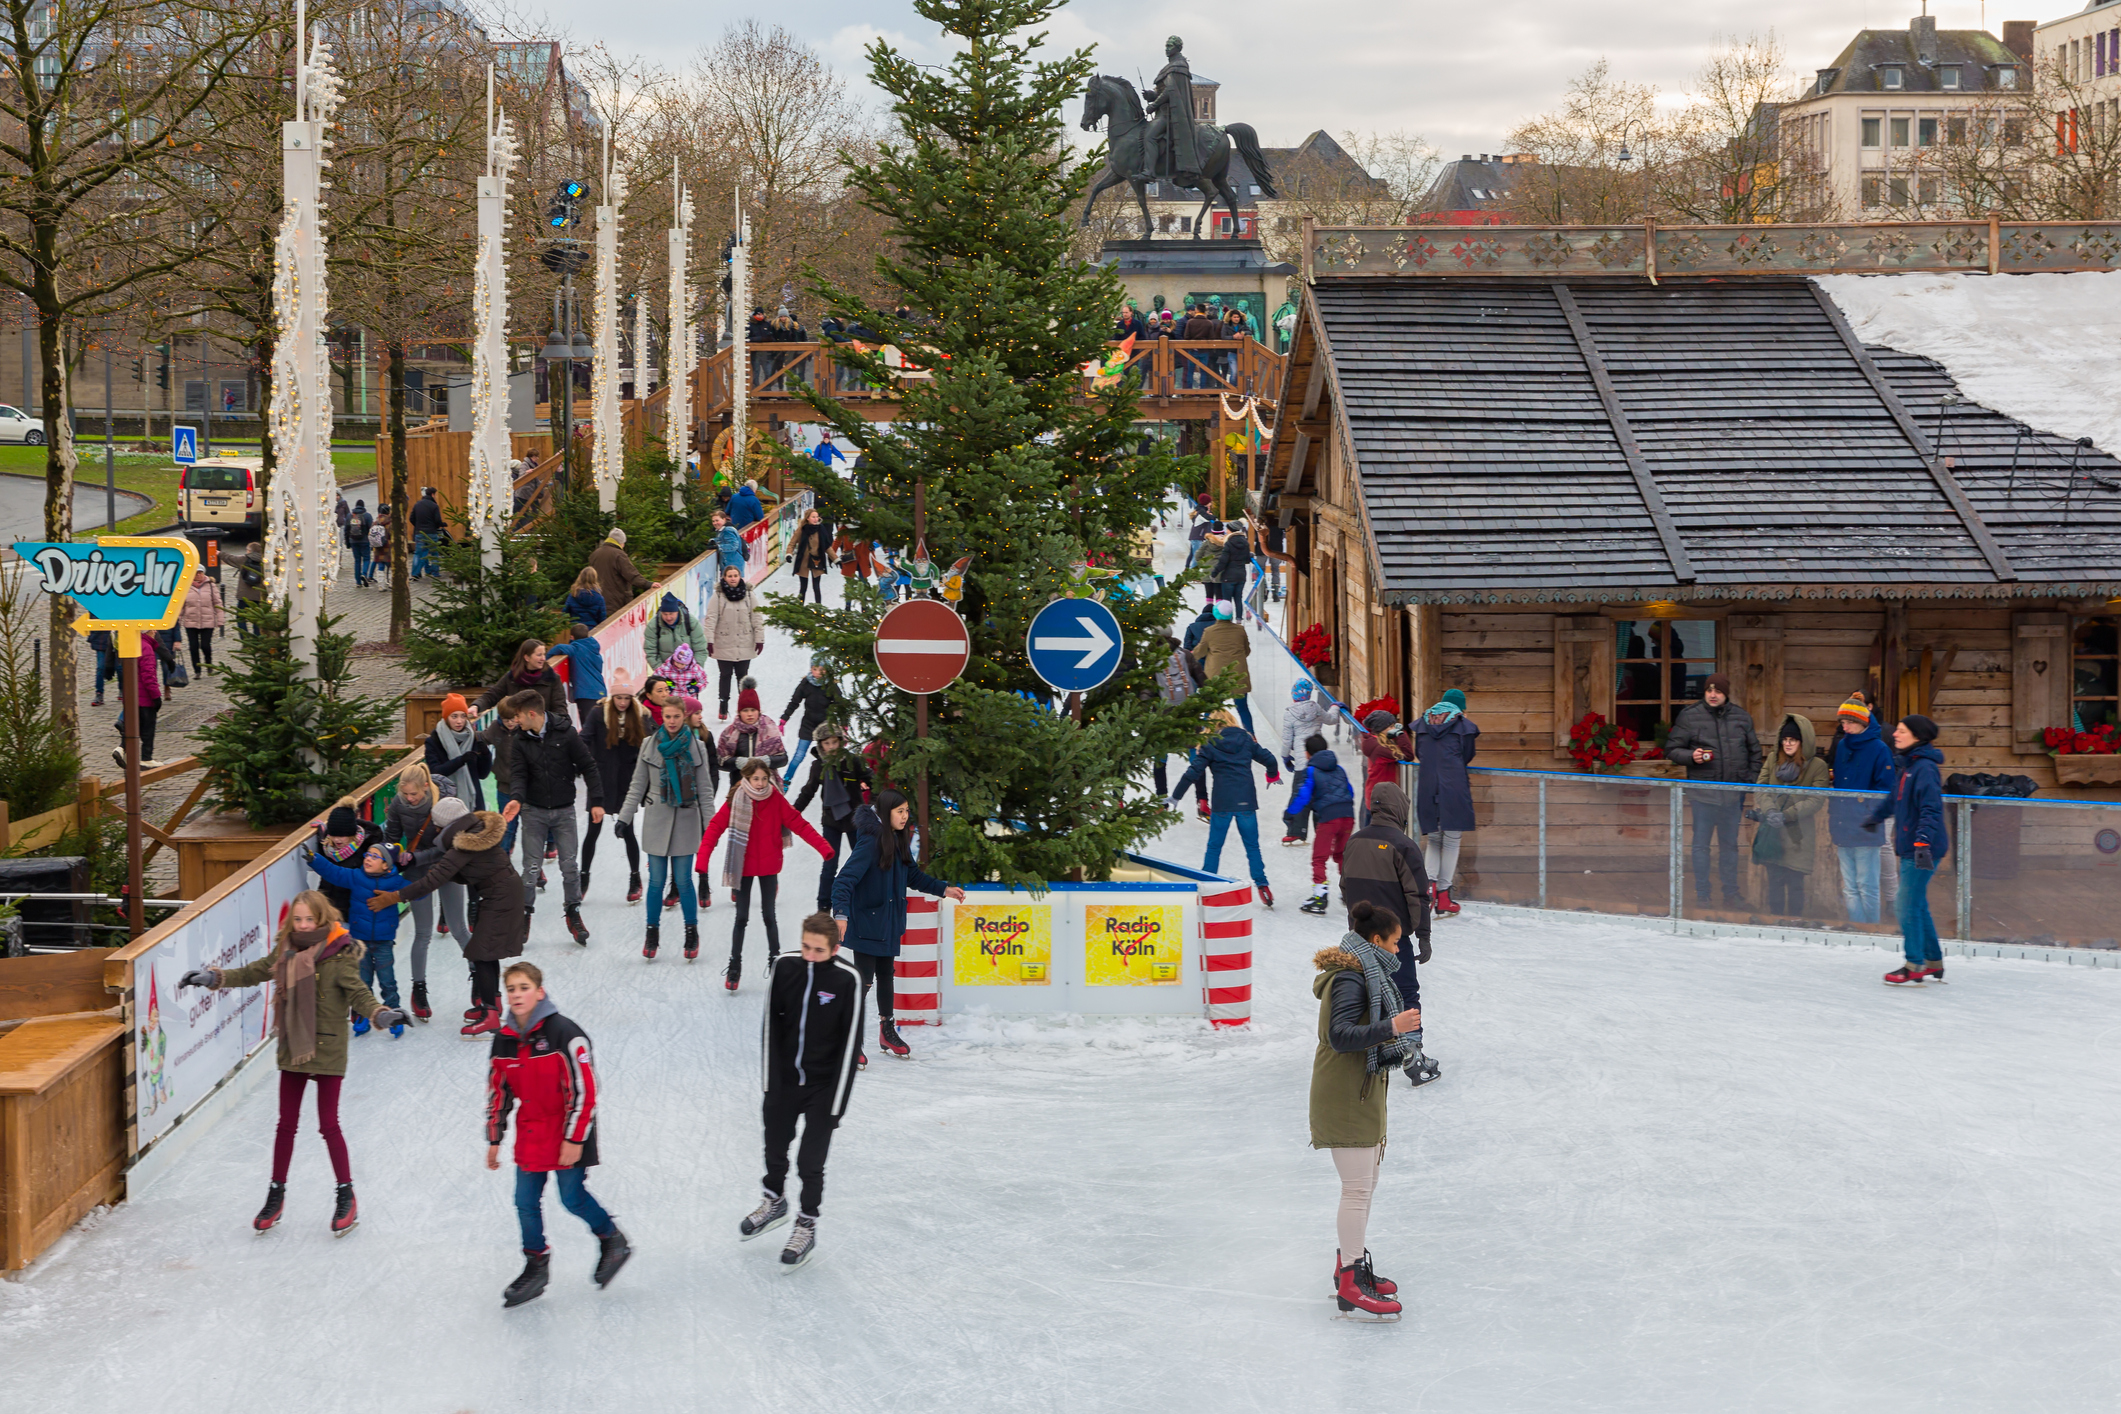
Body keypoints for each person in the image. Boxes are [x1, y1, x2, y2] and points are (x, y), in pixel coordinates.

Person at [178, 891, 405, 1236]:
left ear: (322, 919)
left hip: (327, 1044)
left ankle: (347, 1195)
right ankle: (276, 1195)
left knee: (328, 1124)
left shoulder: (340, 952)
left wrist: (379, 1013)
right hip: (293, 1045)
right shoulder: (287, 948)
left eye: (309, 920)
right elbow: (255, 971)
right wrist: (215, 978)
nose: (302, 925)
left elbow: (358, 991)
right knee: (286, 1124)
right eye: (297, 920)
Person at [485, 960, 631, 1307]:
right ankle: (536, 1265)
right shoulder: (503, 1042)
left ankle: (612, 1240)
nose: (517, 995)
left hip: (568, 1127)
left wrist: (574, 1139)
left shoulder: (564, 1033)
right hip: (531, 1130)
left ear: (540, 992)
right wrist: (494, 1138)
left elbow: (586, 1091)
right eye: (511, 989)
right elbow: (499, 1092)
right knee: (524, 1202)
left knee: (572, 1197)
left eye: (524, 988)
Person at [1310, 900, 1423, 1319]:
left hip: (1361, 1088)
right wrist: (1392, 1027)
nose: (1397, 952)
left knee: (1365, 1183)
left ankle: (1350, 1266)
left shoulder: (1365, 973)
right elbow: (1340, 1036)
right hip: (1345, 1092)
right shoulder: (1351, 979)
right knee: (1357, 1189)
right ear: (1376, 941)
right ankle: (1350, 1280)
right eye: (1394, 944)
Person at [739, 912, 864, 1271]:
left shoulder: (848, 980)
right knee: (774, 1149)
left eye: (818, 950)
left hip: (824, 1088)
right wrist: (770, 1085)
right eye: (806, 946)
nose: (809, 954)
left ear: (834, 949)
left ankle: (806, 1222)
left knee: (810, 1163)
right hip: (784, 1081)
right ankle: (774, 1201)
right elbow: (770, 1026)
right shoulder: (785, 967)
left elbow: (851, 1042)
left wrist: (835, 1107)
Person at [831, 788, 967, 1060]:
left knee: (886, 977)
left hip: (889, 922)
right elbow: (843, 880)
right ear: (885, 813)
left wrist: (944, 889)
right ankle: (852, 1039)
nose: (905, 816)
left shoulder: (898, 839)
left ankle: (886, 1031)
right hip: (867, 922)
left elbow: (912, 876)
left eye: (907, 811)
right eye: (900, 811)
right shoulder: (870, 842)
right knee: (864, 981)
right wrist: (841, 916)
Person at [371, 806, 523, 1036]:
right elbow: (451, 862)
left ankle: (491, 1014)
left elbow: (431, 881)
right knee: (485, 952)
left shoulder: (462, 846)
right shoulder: (476, 832)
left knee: (480, 953)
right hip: (502, 892)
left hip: (500, 896)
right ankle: (492, 1004)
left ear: (442, 826)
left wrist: (394, 897)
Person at [700, 756, 834, 991]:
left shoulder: (776, 799)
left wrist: (824, 848)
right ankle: (735, 965)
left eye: (764, 779)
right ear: (746, 778)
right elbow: (715, 828)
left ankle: (775, 960)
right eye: (756, 779)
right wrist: (702, 859)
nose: (760, 784)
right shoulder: (736, 800)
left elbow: (799, 824)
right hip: (743, 868)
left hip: (769, 866)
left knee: (769, 915)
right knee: (741, 917)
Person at [1341, 781, 1438, 1085]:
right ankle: (1412, 1053)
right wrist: (1423, 934)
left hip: (1359, 936)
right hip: (1393, 938)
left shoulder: (1354, 842)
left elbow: (1345, 887)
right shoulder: (1403, 845)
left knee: (1366, 992)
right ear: (1400, 809)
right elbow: (1419, 894)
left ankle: (1367, 1049)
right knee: (1405, 991)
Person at [502, 689, 604, 947]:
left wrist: (597, 802)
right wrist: (516, 798)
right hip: (533, 812)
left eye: (519, 716)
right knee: (530, 869)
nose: (517, 722)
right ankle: (523, 915)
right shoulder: (520, 740)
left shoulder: (566, 733)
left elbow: (589, 766)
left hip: (564, 811)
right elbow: (518, 775)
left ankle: (573, 913)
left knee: (570, 866)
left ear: (532, 714)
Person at [619, 696, 715, 959]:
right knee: (656, 882)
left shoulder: (697, 747)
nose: (671, 721)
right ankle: (652, 932)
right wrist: (624, 817)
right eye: (667, 716)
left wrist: (711, 826)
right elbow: (637, 784)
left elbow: (705, 791)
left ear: (684, 716)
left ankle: (691, 932)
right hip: (657, 821)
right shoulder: (649, 745)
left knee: (684, 880)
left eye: (676, 716)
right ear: (661, 717)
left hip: (686, 821)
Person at [1663, 674, 1763, 908]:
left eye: (1718, 691)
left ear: (1726, 693)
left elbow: (1755, 753)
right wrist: (1691, 756)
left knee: (1729, 845)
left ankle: (1730, 892)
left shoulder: (1742, 717)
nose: (1713, 694)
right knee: (1701, 845)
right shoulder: (1690, 716)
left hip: (1732, 795)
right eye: (1709, 690)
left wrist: (1748, 781)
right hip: (1703, 794)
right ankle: (1702, 893)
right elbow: (1672, 749)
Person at [1171, 711, 1283, 907]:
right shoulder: (1246, 739)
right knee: (1252, 847)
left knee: (1214, 847)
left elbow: (1193, 773)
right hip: (1246, 801)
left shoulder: (1210, 743)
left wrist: (1175, 796)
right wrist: (1271, 775)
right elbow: (1270, 760)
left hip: (1222, 803)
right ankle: (1263, 885)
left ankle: (1205, 884)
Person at [1868, 715, 1948, 985]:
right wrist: (1875, 818)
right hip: (1913, 846)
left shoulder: (1924, 768)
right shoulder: (1909, 766)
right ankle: (1933, 960)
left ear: (1917, 736)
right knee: (1917, 903)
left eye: (1902, 731)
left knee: (1904, 904)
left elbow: (1931, 808)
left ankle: (1914, 964)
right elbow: (1894, 799)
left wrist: (1923, 842)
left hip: (1922, 848)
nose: (1895, 735)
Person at [304, 839, 411, 1039]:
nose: (368, 859)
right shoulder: (356, 876)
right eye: (367, 855)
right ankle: (362, 1014)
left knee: (387, 981)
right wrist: (314, 859)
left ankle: (394, 1013)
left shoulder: (396, 882)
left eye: (374, 857)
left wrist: (399, 894)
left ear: (386, 865)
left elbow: (418, 891)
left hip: (383, 942)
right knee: (362, 981)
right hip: (359, 942)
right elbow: (334, 872)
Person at [382, 763, 460, 1022]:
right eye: (405, 795)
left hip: (446, 867)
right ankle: (419, 989)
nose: (409, 799)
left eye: (413, 794)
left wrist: (414, 857)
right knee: (423, 933)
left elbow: (446, 847)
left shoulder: (444, 802)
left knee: (459, 928)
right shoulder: (398, 804)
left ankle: (481, 982)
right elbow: (391, 837)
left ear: (426, 787)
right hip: (416, 871)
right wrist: (392, 856)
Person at [1747, 714, 1829, 919]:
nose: (1788, 744)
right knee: (1774, 880)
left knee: (1795, 882)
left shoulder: (1817, 766)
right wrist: (1771, 811)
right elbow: (1761, 787)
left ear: (1803, 741)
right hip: (1773, 832)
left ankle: (1795, 922)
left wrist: (1787, 814)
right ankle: (1776, 920)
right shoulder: (1774, 760)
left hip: (1798, 834)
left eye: (1792, 739)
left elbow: (1815, 800)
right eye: (1784, 739)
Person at [1826, 692, 1896, 924]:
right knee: (1849, 886)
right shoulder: (1844, 746)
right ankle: (1857, 928)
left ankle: (1871, 931)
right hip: (1843, 822)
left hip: (1866, 827)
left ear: (1862, 722)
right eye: (1842, 722)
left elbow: (1885, 790)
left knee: (1867, 885)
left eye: (1849, 722)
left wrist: (1867, 815)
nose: (1844, 727)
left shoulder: (1880, 749)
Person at [580, 675, 649, 906]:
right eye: (618, 697)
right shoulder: (598, 714)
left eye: (626, 698)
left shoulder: (640, 714)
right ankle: (583, 877)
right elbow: (584, 738)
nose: (622, 702)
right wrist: (581, 762)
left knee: (627, 831)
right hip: (601, 781)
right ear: (612, 697)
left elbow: (652, 742)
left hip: (626, 782)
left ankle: (635, 878)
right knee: (593, 831)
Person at [1412, 689, 1479, 916]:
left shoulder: (1422, 724)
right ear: (1460, 707)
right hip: (1454, 786)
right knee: (1451, 840)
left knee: (1433, 839)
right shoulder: (1463, 727)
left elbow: (1419, 753)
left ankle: (1428, 890)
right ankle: (1443, 897)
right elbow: (1467, 756)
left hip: (1428, 786)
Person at [794, 724, 873, 911]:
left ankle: (868, 897)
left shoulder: (852, 761)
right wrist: (792, 813)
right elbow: (808, 791)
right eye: (827, 743)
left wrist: (872, 806)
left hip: (855, 819)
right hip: (832, 821)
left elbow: (873, 779)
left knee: (862, 859)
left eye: (834, 742)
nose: (831, 747)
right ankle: (823, 904)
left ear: (841, 742)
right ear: (821, 745)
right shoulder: (818, 766)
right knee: (829, 864)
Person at [1289, 734, 1356, 916]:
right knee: (1342, 855)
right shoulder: (1339, 768)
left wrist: (1291, 812)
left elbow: (1303, 796)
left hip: (1329, 818)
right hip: (1348, 815)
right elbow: (1350, 791)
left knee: (1319, 858)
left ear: (1308, 753)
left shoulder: (1311, 771)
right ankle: (1350, 893)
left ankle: (1320, 897)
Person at [109, 618, 174, 771]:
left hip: (132, 697)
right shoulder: (147, 648)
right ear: (146, 632)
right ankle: (146, 758)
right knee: (148, 729)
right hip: (145, 698)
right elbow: (149, 676)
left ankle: (120, 749)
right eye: (153, 630)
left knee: (134, 728)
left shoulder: (131, 644)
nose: (155, 632)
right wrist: (156, 697)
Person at [304, 803, 385, 920]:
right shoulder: (328, 847)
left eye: (342, 836)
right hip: (329, 910)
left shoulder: (365, 851)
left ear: (351, 833)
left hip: (353, 914)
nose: (337, 840)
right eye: (333, 835)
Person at [706, 565, 767, 719]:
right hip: (724, 641)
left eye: (735, 575)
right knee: (725, 674)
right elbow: (711, 619)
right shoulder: (718, 596)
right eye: (729, 576)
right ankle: (723, 704)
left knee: (742, 676)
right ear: (724, 578)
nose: (733, 578)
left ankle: (744, 707)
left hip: (744, 641)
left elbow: (757, 617)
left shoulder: (749, 595)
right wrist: (709, 640)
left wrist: (759, 639)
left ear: (740, 577)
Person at [1279, 678, 1336, 844]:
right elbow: (1332, 719)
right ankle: (1322, 831)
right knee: (1320, 797)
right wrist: (1335, 707)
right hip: (1319, 762)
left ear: (1294, 694)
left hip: (1302, 763)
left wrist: (1285, 757)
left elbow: (1287, 740)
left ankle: (1296, 831)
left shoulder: (1289, 713)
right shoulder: (1316, 709)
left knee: (1300, 797)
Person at [1191, 601, 1256, 735]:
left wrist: (1190, 656)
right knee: (1243, 708)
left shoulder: (1209, 632)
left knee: (1211, 709)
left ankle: (1205, 737)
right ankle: (1252, 737)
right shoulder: (1240, 630)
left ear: (1216, 614)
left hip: (1216, 678)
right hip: (1238, 676)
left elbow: (1200, 652)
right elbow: (1246, 651)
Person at [474, 637, 572, 724]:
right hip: (518, 733)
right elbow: (493, 694)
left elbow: (560, 708)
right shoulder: (512, 677)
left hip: (543, 732)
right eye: (539, 655)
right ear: (526, 657)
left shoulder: (552, 678)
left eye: (544, 654)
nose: (543, 658)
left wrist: (549, 725)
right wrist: (476, 706)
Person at [425, 693, 494, 810]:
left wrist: (486, 755)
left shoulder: (473, 737)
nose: (459, 721)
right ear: (446, 717)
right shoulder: (434, 741)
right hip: (447, 802)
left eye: (463, 716)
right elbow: (435, 773)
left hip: (474, 802)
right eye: (454, 716)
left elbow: (482, 774)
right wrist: (460, 760)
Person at [718, 682, 788, 792]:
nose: (750, 714)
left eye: (753, 710)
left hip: (766, 788)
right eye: (745, 710)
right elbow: (720, 761)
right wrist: (736, 762)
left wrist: (768, 760)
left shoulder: (770, 729)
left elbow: (783, 758)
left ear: (759, 711)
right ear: (739, 712)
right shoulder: (729, 733)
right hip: (739, 788)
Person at [779, 660, 837, 786]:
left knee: (830, 755)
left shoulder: (831, 685)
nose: (818, 673)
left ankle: (834, 783)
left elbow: (840, 703)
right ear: (811, 669)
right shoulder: (806, 683)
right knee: (799, 754)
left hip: (825, 726)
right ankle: (786, 780)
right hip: (808, 724)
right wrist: (784, 718)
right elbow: (795, 701)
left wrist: (843, 724)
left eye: (822, 669)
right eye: (815, 669)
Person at [1357, 711, 1408, 829]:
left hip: (1376, 796)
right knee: (1381, 838)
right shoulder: (1381, 749)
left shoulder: (1374, 743)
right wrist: (1401, 734)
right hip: (1382, 799)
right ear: (1381, 729)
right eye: (1391, 727)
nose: (1394, 729)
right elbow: (1406, 755)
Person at [548, 622, 606, 720]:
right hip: (601, 692)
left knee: (589, 727)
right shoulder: (594, 650)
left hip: (586, 695)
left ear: (572, 637)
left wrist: (546, 660)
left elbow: (558, 648)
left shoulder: (575, 649)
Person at [177, 568, 225, 676]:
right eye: (196, 572)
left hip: (207, 621)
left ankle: (208, 664)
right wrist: (177, 622)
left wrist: (220, 619)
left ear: (204, 573)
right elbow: (181, 606)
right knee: (193, 647)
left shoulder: (211, 586)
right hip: (191, 622)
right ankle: (197, 670)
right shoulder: (185, 586)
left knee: (205, 645)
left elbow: (218, 603)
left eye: (200, 572)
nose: (198, 574)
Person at [644, 591, 710, 669]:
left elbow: (700, 649)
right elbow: (651, 652)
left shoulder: (691, 622)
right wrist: (662, 671)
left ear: (677, 612)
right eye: (665, 614)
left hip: (688, 671)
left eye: (671, 614)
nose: (668, 617)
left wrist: (694, 670)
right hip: (665, 672)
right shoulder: (653, 625)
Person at [585, 528, 650, 606]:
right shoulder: (619, 555)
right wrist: (647, 584)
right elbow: (631, 574)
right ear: (621, 542)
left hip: (597, 599)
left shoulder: (595, 554)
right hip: (616, 601)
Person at [792, 508, 834, 605]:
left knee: (816, 587)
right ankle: (800, 608)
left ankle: (818, 609)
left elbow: (827, 546)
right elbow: (792, 543)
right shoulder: (801, 530)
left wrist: (835, 559)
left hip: (817, 560)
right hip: (803, 562)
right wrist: (789, 554)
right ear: (807, 518)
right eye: (813, 517)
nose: (816, 519)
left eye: (817, 517)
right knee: (803, 587)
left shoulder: (821, 529)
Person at [1209, 518, 1252, 609]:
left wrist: (1214, 573)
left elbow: (1223, 561)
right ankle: (1239, 619)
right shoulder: (1245, 542)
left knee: (1227, 601)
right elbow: (1247, 560)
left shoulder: (1228, 543)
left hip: (1228, 576)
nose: (1226, 531)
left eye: (1227, 529)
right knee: (1238, 599)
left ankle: (1228, 619)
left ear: (1231, 530)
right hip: (1241, 575)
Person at [346, 499, 374, 586]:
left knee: (357, 560)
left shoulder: (349, 516)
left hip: (353, 541)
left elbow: (346, 530)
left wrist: (347, 542)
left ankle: (358, 582)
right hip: (365, 541)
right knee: (366, 558)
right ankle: (364, 574)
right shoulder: (367, 516)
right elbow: (371, 529)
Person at [712, 508, 747, 576]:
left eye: (717, 520)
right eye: (713, 521)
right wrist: (713, 540)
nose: (715, 523)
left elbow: (733, 545)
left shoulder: (727, 530)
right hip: (729, 563)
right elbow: (723, 540)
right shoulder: (722, 530)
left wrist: (718, 547)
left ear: (724, 519)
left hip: (733, 564)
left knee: (733, 583)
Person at [367, 509, 390, 583]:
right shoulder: (390, 523)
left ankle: (381, 585)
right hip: (388, 548)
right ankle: (391, 583)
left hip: (377, 548)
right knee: (391, 566)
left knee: (381, 566)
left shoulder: (375, 523)